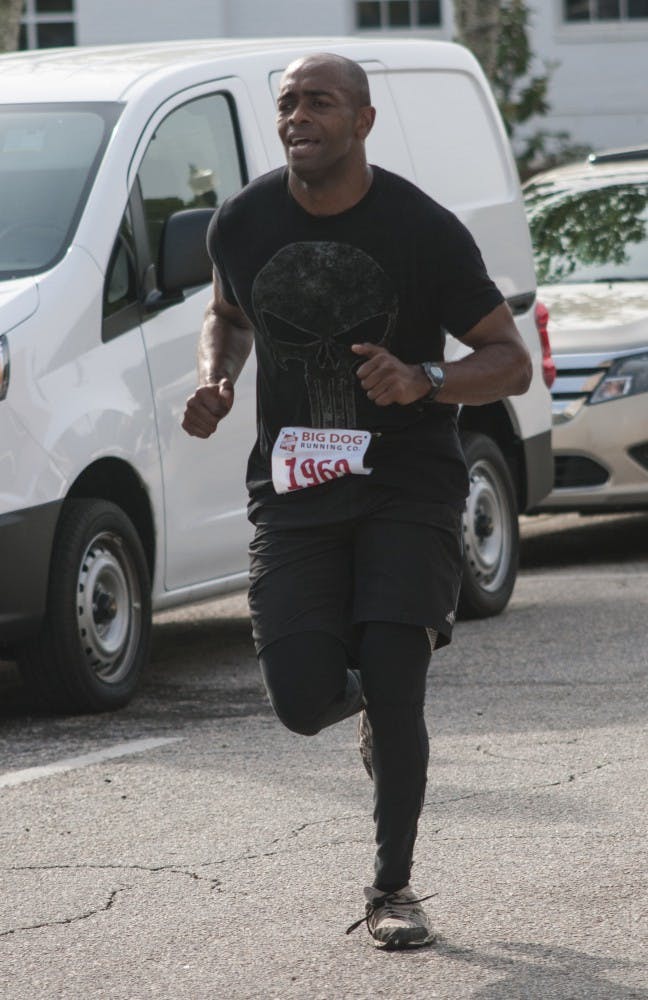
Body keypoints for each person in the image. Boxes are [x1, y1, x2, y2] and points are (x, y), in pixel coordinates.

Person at [182, 52, 532, 950]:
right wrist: (218, 379)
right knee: (301, 699)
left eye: (320, 102)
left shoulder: (423, 230)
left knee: (397, 678)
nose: (298, 116)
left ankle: (393, 889)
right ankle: (368, 707)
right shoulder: (243, 220)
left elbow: (508, 358)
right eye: (288, 103)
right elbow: (227, 310)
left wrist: (425, 378)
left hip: (406, 486)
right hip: (295, 489)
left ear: (364, 122)